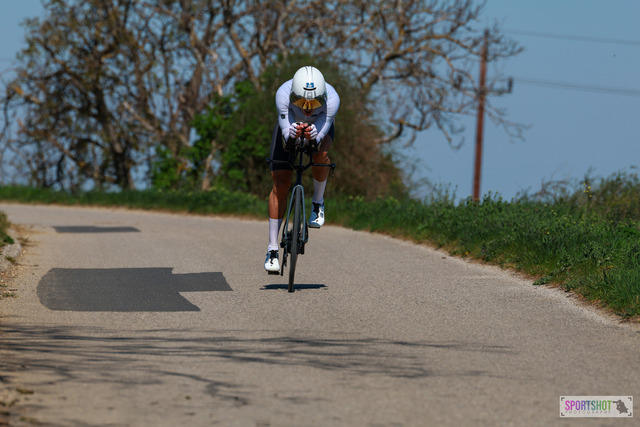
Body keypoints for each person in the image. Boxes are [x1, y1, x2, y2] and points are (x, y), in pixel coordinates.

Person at [264, 66, 340, 273]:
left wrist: (314, 135)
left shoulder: (333, 99)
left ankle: (317, 202)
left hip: (319, 126)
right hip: (290, 124)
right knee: (281, 183)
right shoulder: (282, 93)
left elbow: (321, 134)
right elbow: (285, 133)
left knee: (321, 154)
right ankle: (272, 249)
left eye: (314, 103)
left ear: (323, 97)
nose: (307, 108)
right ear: (292, 95)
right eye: (300, 101)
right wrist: (293, 133)